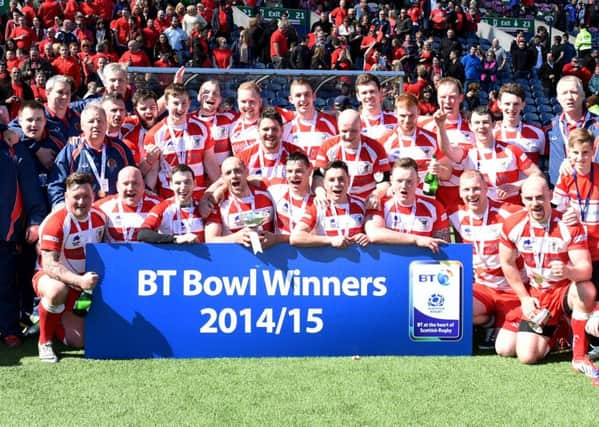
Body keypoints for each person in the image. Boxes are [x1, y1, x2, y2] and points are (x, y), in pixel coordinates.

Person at [500, 175, 599, 380]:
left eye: (539, 197)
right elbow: (507, 263)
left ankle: (579, 356)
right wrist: (525, 299)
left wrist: (567, 271)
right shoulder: (512, 225)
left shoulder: (567, 224)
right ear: (522, 199)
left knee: (585, 289)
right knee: (510, 350)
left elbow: (585, 270)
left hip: (563, 290)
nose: (534, 203)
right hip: (537, 294)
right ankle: (561, 330)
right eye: (529, 199)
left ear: (550, 196)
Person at [449, 169, 524, 354]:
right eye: (466, 190)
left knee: (505, 350)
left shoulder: (509, 213)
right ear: (460, 192)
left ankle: (503, 321)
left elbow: (543, 214)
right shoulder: (456, 216)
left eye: (476, 189)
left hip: (512, 290)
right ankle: (490, 320)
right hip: (483, 288)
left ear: (486, 189)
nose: (471, 194)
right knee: (450, 307)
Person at [34, 172, 106, 362]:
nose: (81, 201)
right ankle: (44, 341)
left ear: (93, 196)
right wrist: (80, 281)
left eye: (86, 196)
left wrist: (83, 283)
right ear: (66, 197)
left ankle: (54, 317)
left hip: (83, 287)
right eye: (76, 197)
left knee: (77, 341)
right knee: (58, 290)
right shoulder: (56, 222)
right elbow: (49, 265)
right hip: (51, 278)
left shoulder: (101, 217)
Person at [438, 106, 541, 205]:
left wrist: (515, 186)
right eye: (477, 123)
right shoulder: (467, 152)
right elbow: (446, 149)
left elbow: (538, 175)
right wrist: (441, 126)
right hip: (480, 211)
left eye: (485, 122)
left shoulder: (511, 149)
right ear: (470, 126)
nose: (481, 126)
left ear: (494, 124)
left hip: (510, 212)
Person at [1, 126, 46, 348]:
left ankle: (9, 328)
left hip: (5, 229)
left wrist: (36, 219)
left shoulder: (12, 144)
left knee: (5, 282)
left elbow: (30, 187)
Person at [48, 103, 135, 207]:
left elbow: (134, 177)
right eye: (91, 121)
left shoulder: (120, 148)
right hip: (82, 211)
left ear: (106, 124)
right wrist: (61, 206)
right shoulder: (72, 150)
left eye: (100, 121)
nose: (96, 125)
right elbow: (56, 184)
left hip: (115, 210)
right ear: (82, 126)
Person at [144, 83, 219, 200]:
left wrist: (221, 187)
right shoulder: (154, 134)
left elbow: (210, 162)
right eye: (175, 103)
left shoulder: (203, 128)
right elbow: (153, 170)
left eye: (184, 103)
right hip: (169, 197)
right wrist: (148, 192)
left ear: (189, 103)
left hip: (198, 197)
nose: (180, 108)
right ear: (167, 104)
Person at [365, 158, 448, 252]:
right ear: (391, 180)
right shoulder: (381, 204)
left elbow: (443, 246)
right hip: (389, 262)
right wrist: (417, 239)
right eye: (399, 181)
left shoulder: (434, 207)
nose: (404, 186)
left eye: (409, 181)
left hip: (420, 263)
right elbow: (374, 234)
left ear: (418, 181)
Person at [419, 77, 473, 208]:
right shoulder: (423, 125)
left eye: (452, 97)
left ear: (461, 97)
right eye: (443, 97)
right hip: (431, 195)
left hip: (464, 197)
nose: (448, 101)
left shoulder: (473, 127)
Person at [315, 109, 390, 201]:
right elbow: (318, 177)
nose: (348, 135)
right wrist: (320, 192)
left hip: (365, 202)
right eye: (344, 131)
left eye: (353, 131)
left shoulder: (375, 148)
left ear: (361, 127)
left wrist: (376, 195)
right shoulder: (328, 146)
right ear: (338, 128)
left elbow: (383, 182)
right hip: (336, 203)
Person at [291, 160, 369, 248]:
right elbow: (295, 237)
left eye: (341, 179)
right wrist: (330, 240)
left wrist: (366, 237)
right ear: (324, 183)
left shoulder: (361, 206)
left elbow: (372, 233)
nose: (337, 184)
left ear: (349, 180)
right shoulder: (319, 207)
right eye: (331, 180)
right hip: (330, 260)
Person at [205, 157, 278, 248]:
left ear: (246, 172)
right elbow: (210, 240)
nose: (234, 175)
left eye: (238, 171)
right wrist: (235, 238)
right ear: (223, 178)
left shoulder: (267, 194)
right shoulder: (220, 203)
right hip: (237, 258)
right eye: (228, 173)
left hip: (270, 256)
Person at [380, 93, 451, 184]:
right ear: (395, 113)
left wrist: (439, 170)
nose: (407, 120)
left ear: (418, 112)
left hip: (425, 195)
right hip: (399, 196)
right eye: (403, 116)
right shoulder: (384, 141)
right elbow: (381, 179)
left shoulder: (433, 139)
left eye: (411, 116)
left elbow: (448, 173)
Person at [547, 76, 599, 185]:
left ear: (583, 95)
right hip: (560, 194)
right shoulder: (550, 127)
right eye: (564, 93)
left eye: (574, 92)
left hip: (593, 192)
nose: (569, 97)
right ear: (558, 98)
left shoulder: (597, 124)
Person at [138, 164, 204, 244]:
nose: (183, 187)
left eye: (187, 182)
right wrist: (175, 239)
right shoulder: (162, 208)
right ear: (171, 185)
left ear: (195, 183)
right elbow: (143, 234)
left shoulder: (202, 207)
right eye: (178, 183)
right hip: (172, 255)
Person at [237, 108, 303, 184]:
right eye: (266, 129)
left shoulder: (297, 153)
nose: (270, 133)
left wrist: (264, 181)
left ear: (282, 131)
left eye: (274, 129)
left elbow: (307, 180)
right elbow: (228, 181)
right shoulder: (243, 157)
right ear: (258, 131)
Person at [95, 166, 161, 242]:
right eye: (125, 184)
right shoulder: (102, 207)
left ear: (143, 185)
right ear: (118, 186)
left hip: (146, 253)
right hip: (113, 253)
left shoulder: (158, 206)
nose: (130, 188)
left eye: (135, 183)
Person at [282, 79, 337, 162]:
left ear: (314, 96)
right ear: (291, 99)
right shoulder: (286, 128)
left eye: (307, 94)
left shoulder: (332, 123)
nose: (303, 99)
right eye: (298, 95)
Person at [494, 83, 546, 165]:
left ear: (523, 105)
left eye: (516, 104)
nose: (511, 108)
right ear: (499, 104)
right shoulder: (491, 134)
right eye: (507, 104)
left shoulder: (538, 133)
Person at [192, 80, 236, 166]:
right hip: (197, 177)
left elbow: (253, 116)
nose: (211, 96)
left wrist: (228, 105)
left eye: (215, 93)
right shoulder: (188, 119)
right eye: (206, 92)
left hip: (223, 176)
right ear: (198, 97)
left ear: (220, 99)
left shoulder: (229, 117)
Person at [355, 73, 397, 140]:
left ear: (380, 93)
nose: (369, 96)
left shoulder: (396, 119)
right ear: (358, 96)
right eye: (364, 93)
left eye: (372, 91)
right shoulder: (354, 122)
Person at [229, 81, 262, 155]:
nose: (247, 105)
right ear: (238, 102)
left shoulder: (269, 124)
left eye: (252, 101)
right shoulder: (232, 125)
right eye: (243, 101)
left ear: (260, 102)